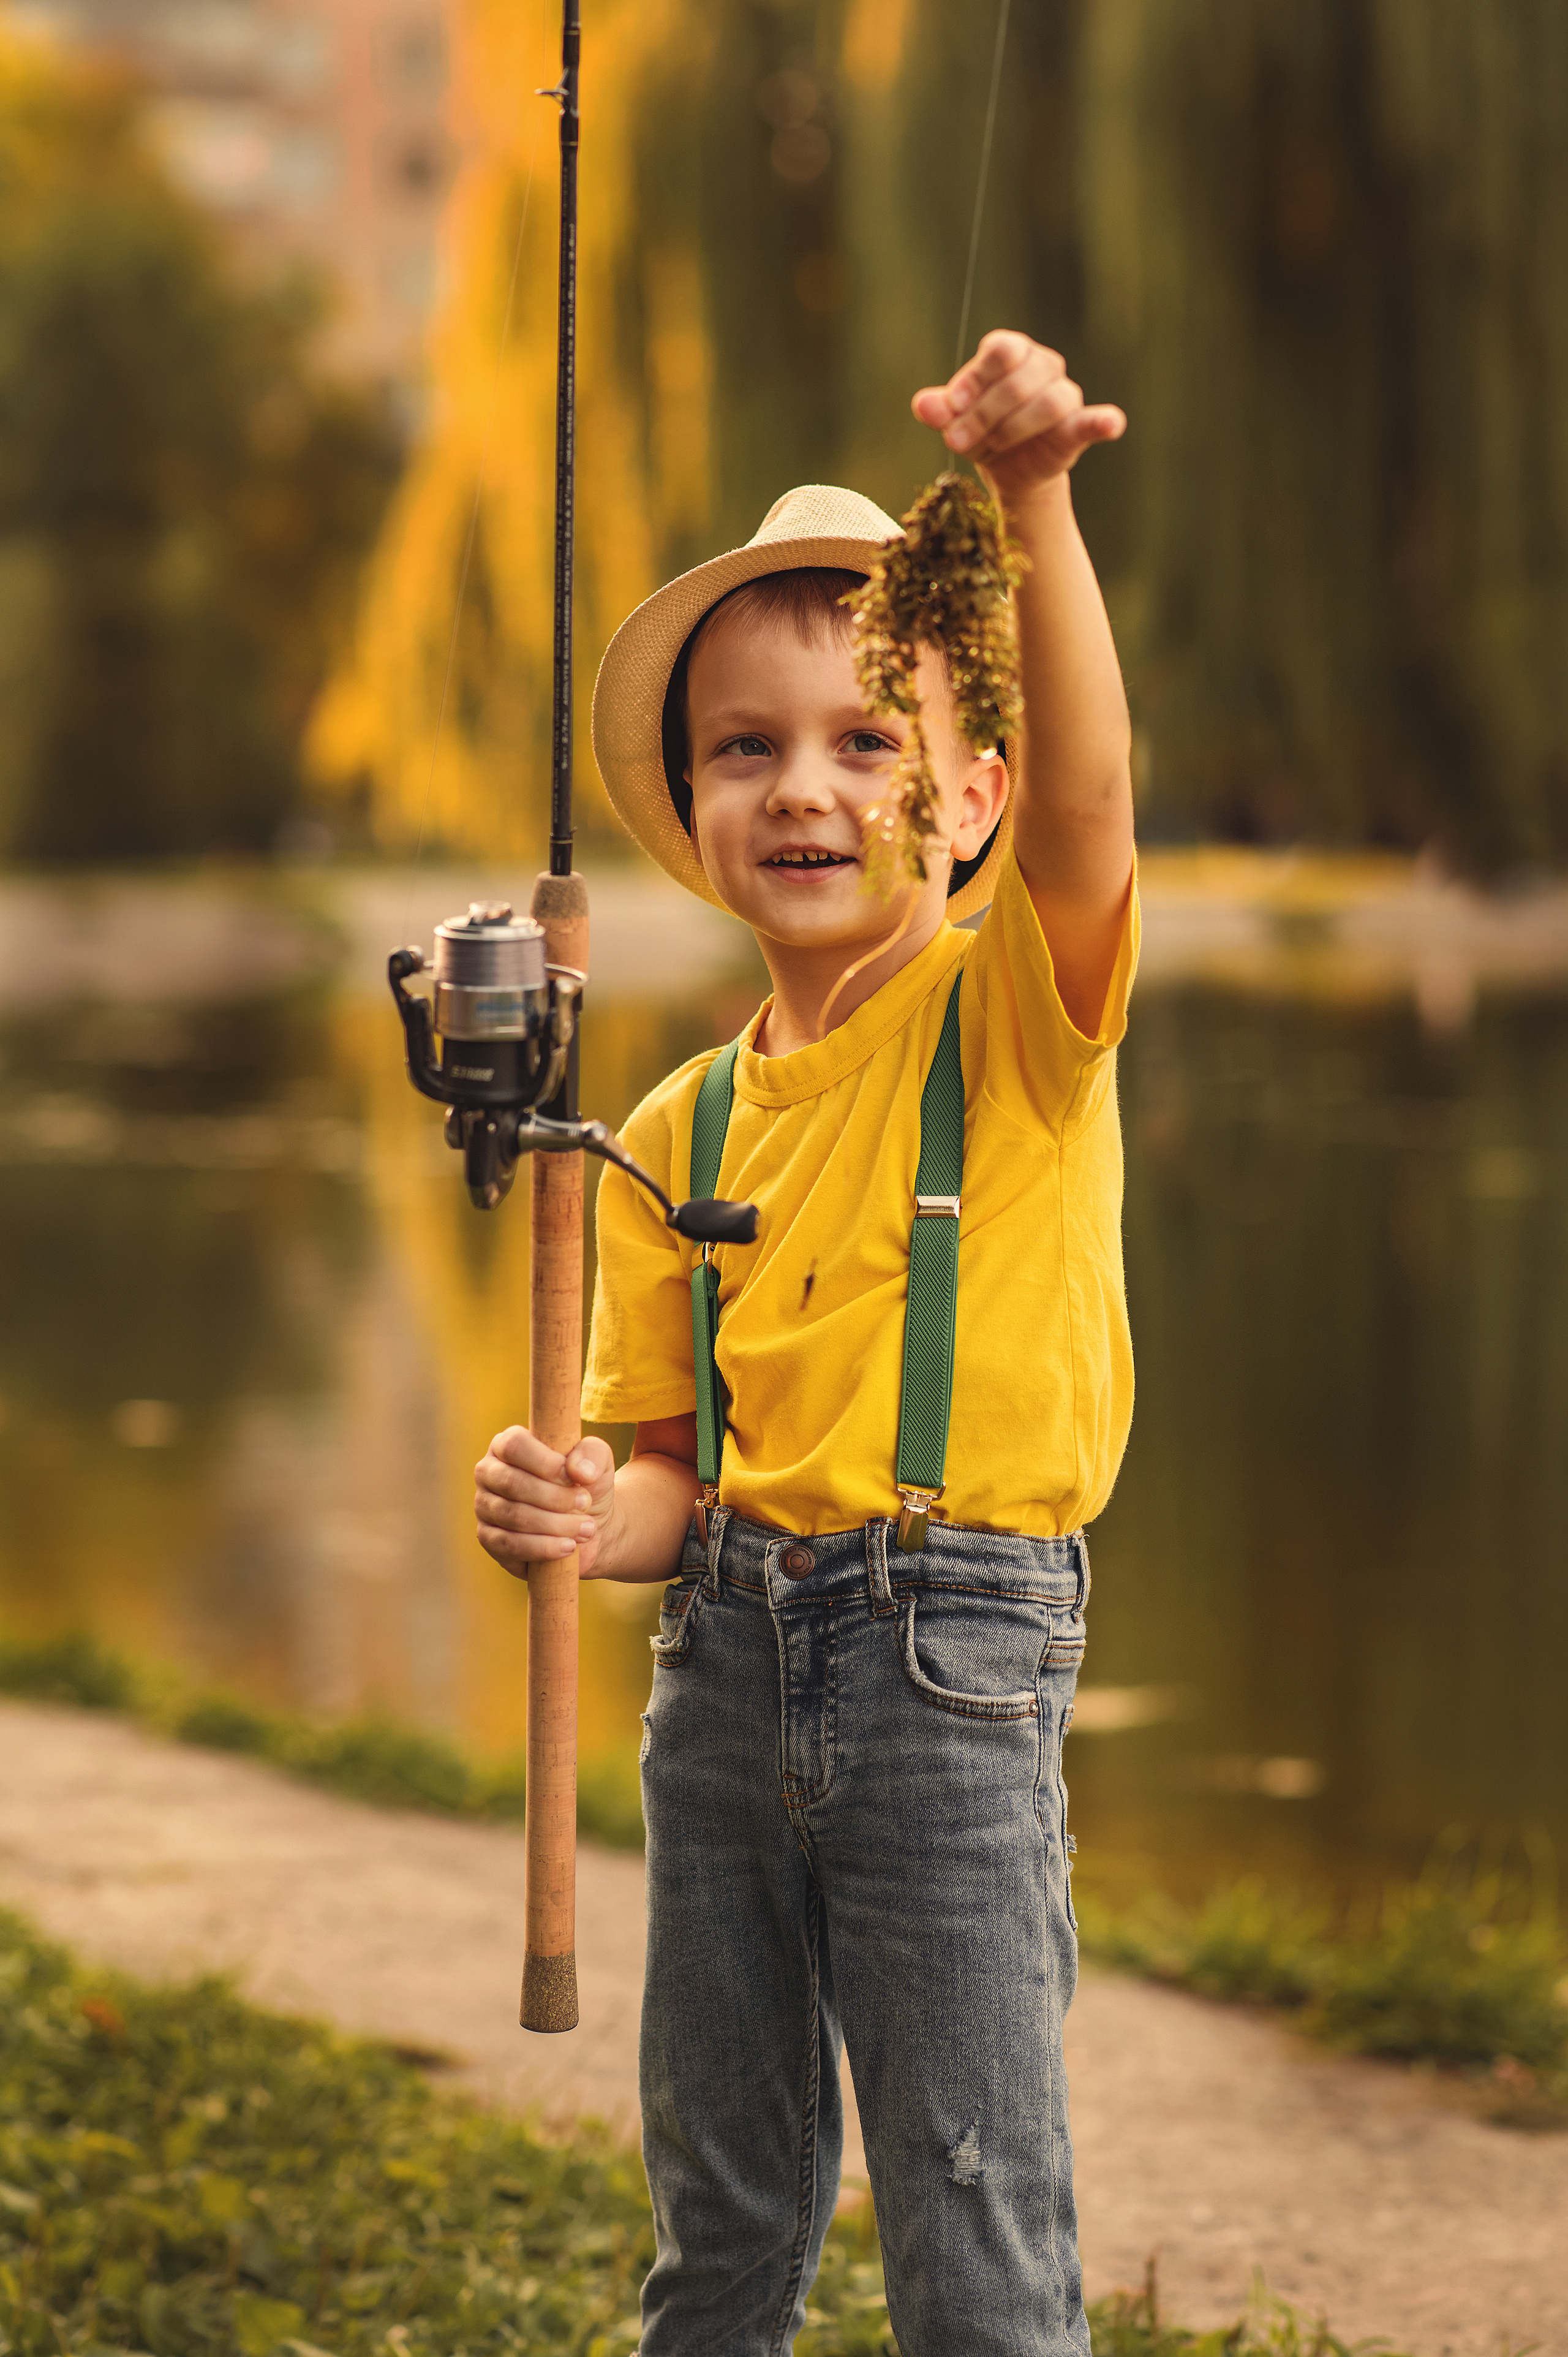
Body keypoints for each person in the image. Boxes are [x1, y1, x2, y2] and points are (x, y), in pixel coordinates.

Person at [474, 328, 1137, 2357]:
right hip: (723, 1680)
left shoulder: (1012, 1018)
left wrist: (1032, 502)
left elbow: (1097, 806)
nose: (806, 788)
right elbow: (674, 1476)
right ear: (693, 808)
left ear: (974, 794)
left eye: (868, 741)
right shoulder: (670, 1128)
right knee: (722, 2218)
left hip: (952, 1673)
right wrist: (583, 1515)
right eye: (747, 749)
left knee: (971, 2229)